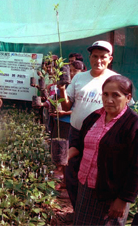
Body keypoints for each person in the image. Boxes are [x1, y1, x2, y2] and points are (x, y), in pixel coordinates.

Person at [69, 75, 138, 225]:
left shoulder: (133, 124)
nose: (109, 100)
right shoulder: (93, 117)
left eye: (115, 95)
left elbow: (136, 166)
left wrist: (124, 199)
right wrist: (66, 154)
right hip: (86, 187)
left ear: (128, 97)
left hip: (112, 194)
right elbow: (80, 145)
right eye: (105, 94)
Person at [58, 40, 117, 210]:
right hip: (76, 133)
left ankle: (91, 213)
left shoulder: (114, 79)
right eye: (95, 56)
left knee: (94, 175)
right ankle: (78, 212)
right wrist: (62, 90)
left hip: (101, 135)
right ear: (89, 58)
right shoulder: (79, 77)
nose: (98, 60)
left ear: (110, 58)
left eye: (103, 57)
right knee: (71, 173)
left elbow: (122, 109)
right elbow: (66, 106)